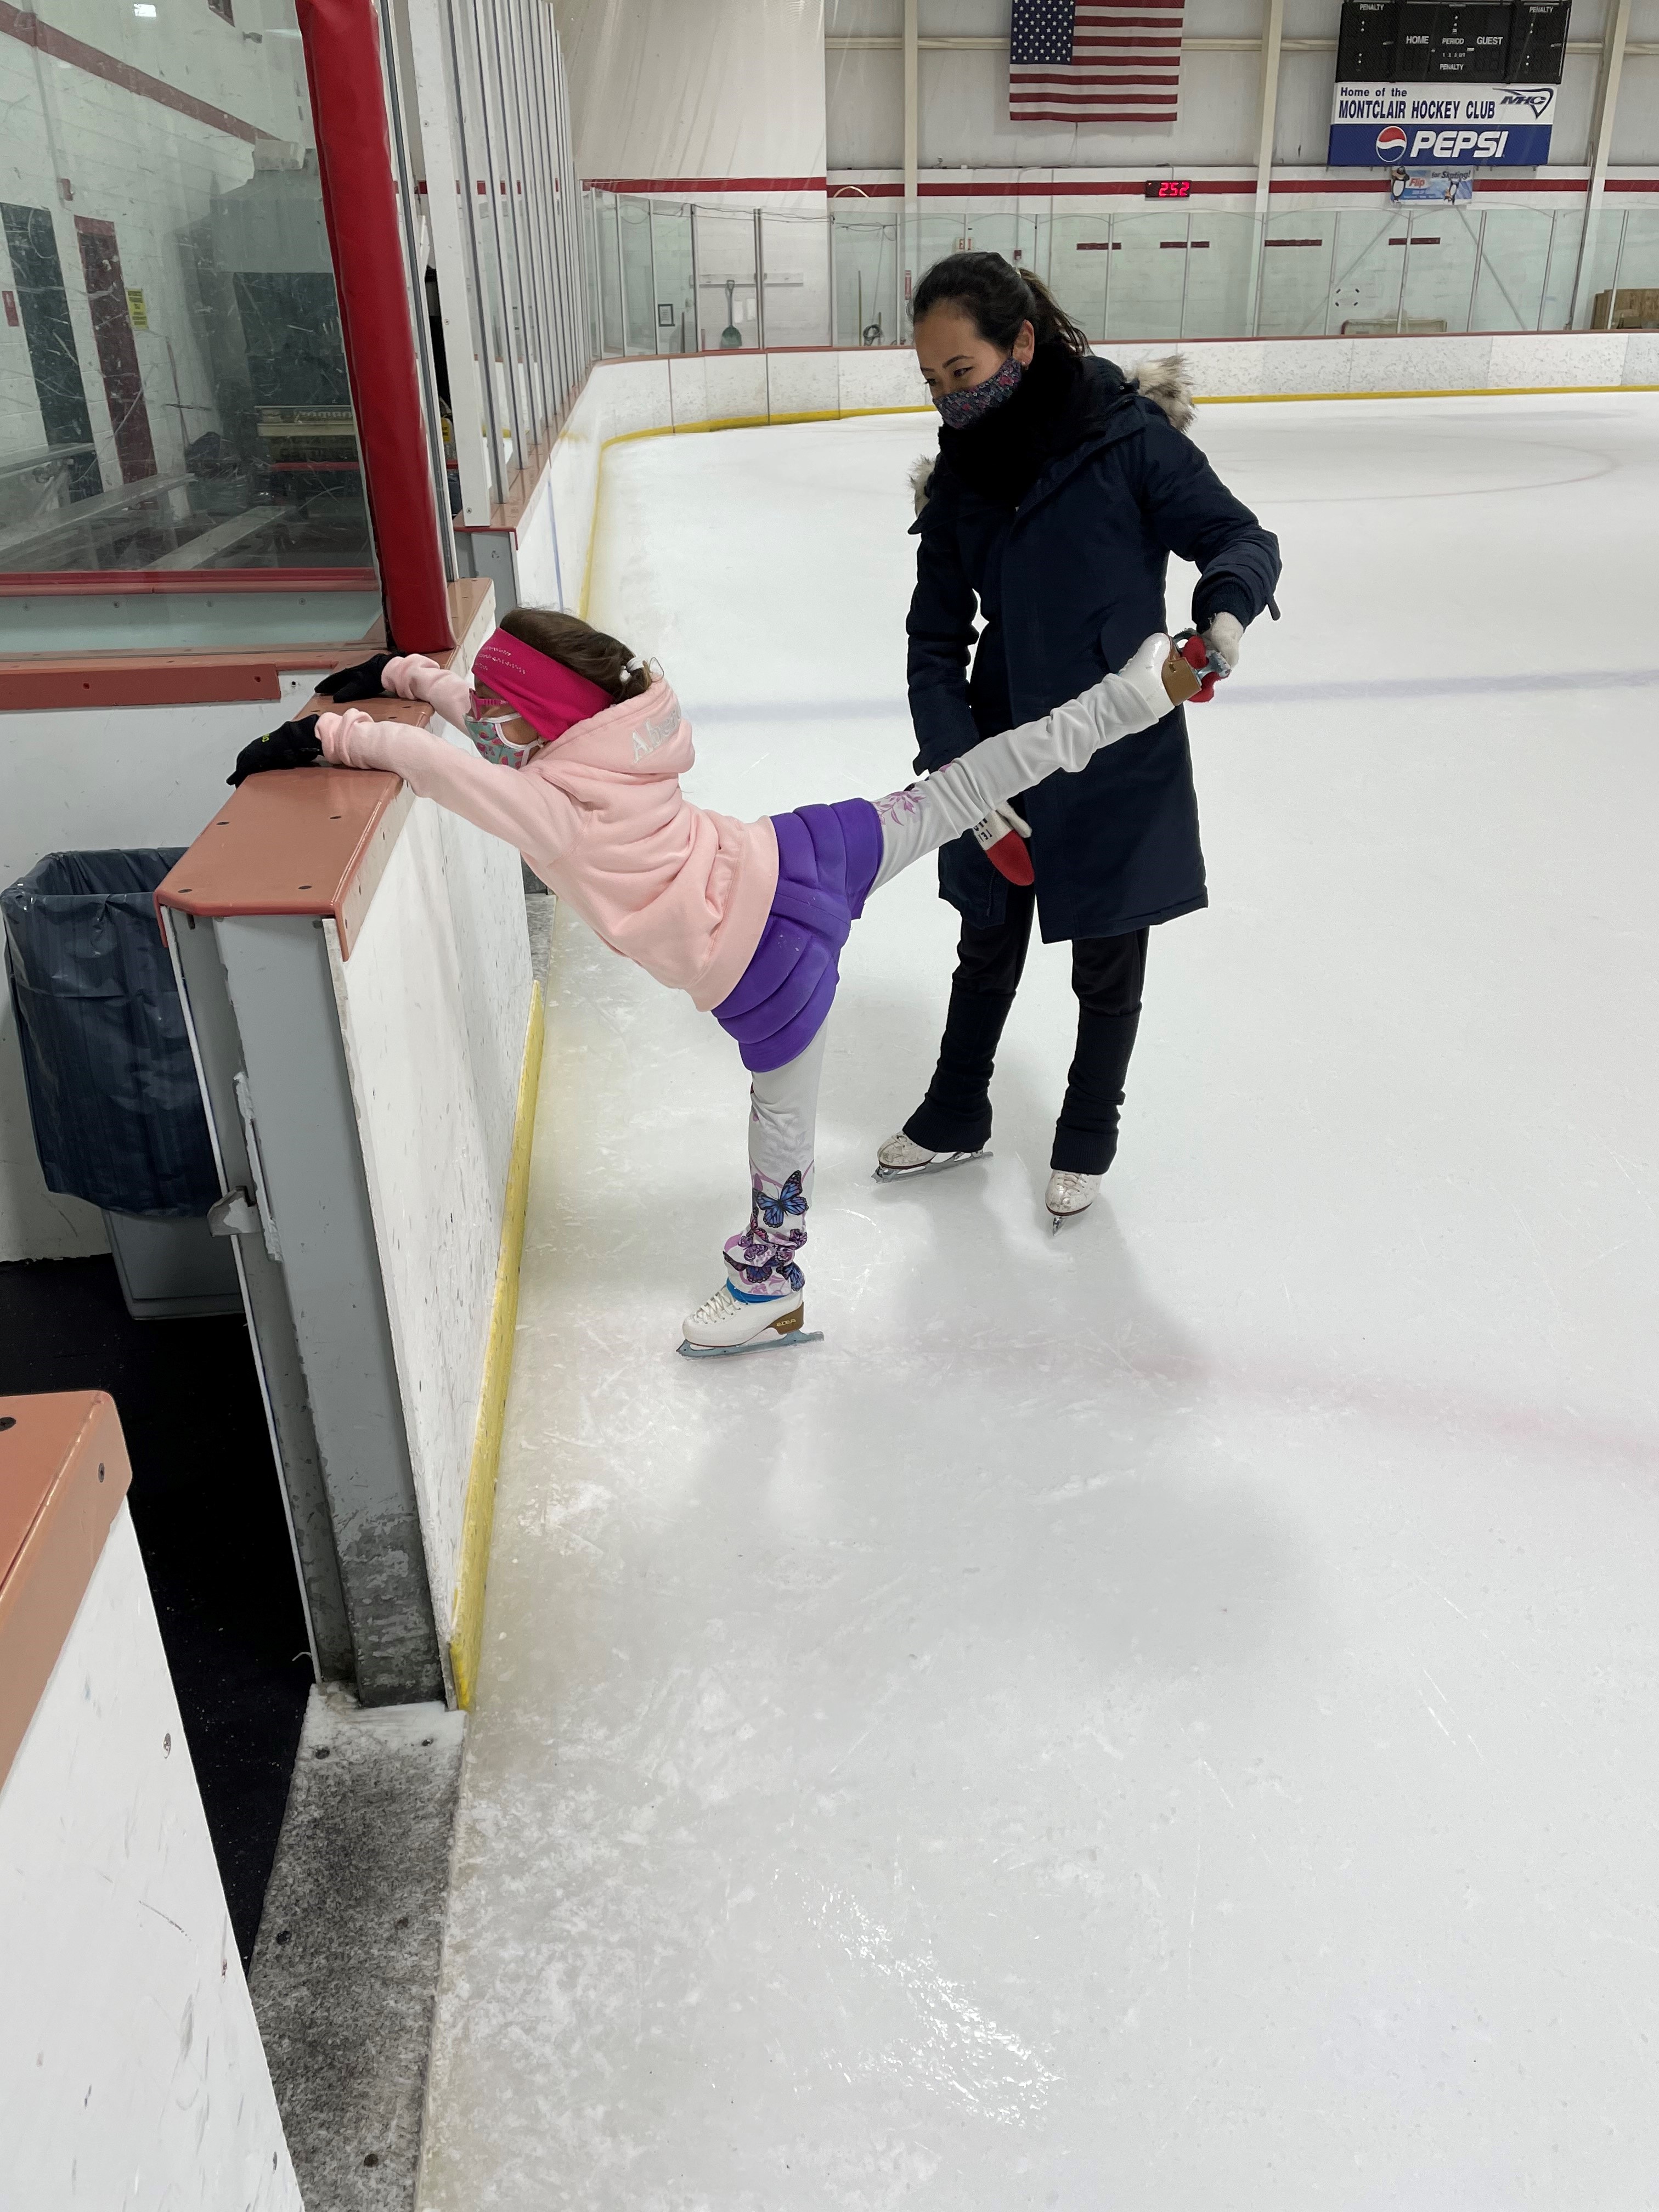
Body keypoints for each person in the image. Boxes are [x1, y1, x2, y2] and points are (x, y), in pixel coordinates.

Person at [274, 609, 1197, 1353]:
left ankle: (770, 1286)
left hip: (765, 969)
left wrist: (330, 733)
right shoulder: (610, 746)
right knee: (965, 785)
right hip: (805, 857)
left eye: (499, 718)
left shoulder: (553, 814)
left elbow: (435, 764)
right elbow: (479, 722)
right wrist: (404, 679)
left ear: (545, 724)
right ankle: (1132, 699)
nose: (485, 727)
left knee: (780, 1136)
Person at [879, 252, 1282, 1226]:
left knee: (1109, 961)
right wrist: (959, 769)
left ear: (1021, 344)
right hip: (997, 750)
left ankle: (1087, 1135)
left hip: (1114, 752)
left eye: (962, 374)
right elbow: (934, 641)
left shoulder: (1128, 441)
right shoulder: (962, 484)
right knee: (986, 944)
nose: (948, 400)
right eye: (932, 381)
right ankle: (953, 1112)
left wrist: (1223, 617)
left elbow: (1238, 538)